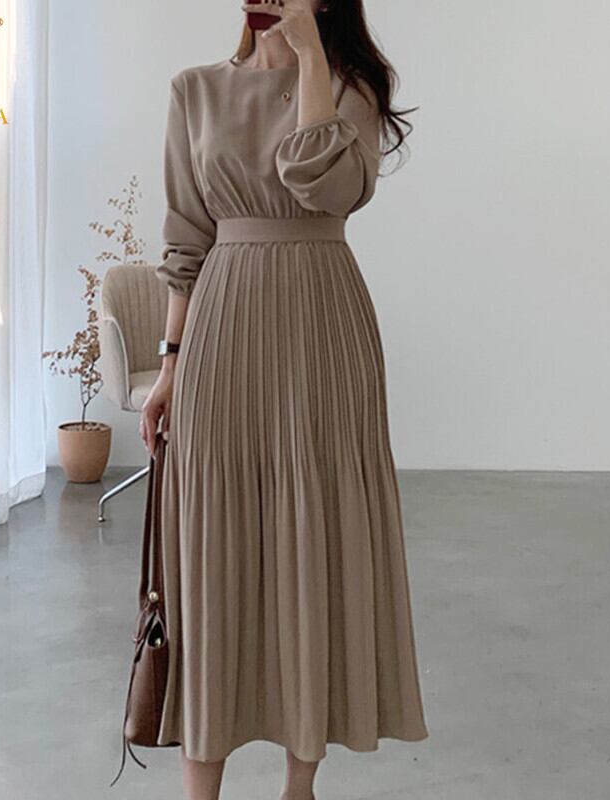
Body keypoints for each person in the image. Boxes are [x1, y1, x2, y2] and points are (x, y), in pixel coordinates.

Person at [139, 1, 429, 798]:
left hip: (320, 322)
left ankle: (300, 785)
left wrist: (309, 63)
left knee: (316, 530)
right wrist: (169, 365)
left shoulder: (351, 88)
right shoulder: (195, 89)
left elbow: (325, 186)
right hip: (222, 324)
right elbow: (186, 236)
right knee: (210, 548)